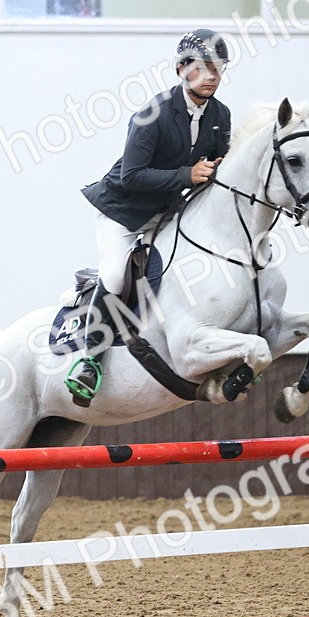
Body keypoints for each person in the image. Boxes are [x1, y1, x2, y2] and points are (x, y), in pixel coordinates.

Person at [66, 29, 233, 407]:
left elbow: (215, 164)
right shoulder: (151, 115)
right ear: (180, 69)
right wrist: (187, 175)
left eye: (218, 69)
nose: (212, 76)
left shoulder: (220, 115)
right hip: (124, 212)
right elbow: (132, 175)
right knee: (113, 274)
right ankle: (88, 359)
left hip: (166, 212)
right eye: (203, 67)